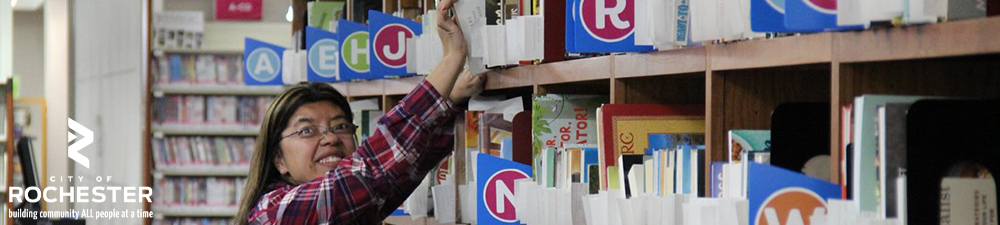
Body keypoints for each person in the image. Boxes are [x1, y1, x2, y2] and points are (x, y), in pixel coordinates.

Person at [232, 0, 484, 223]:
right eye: (307, 130)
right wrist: (451, 59)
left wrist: (450, 99)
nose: (330, 138)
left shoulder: (352, 208)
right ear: (279, 160)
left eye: (341, 126)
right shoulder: (273, 213)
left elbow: (402, 170)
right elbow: (368, 172)